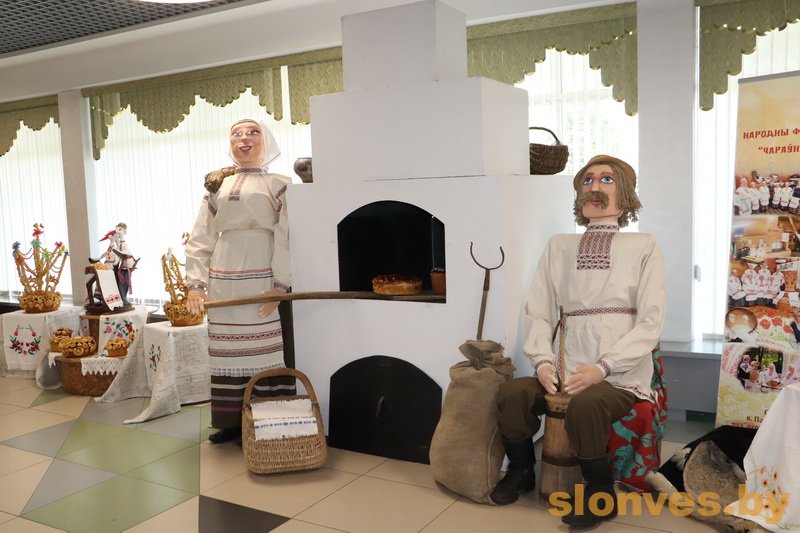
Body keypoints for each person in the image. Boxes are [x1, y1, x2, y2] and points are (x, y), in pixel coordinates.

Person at [490, 155, 665, 530]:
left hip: (619, 375)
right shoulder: (559, 245)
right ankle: (521, 471)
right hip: (564, 366)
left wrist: (603, 367)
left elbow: (651, 321)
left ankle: (601, 495)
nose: (594, 187)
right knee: (513, 394)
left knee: (587, 404)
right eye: (587, 180)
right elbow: (538, 310)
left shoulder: (643, 246)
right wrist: (542, 361)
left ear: (625, 193)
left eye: (606, 180)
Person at [185, 119, 292, 444]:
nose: (244, 139)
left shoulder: (280, 184)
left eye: (253, 132)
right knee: (227, 350)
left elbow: (286, 235)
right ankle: (230, 422)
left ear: (267, 141)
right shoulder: (217, 187)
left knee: (264, 348)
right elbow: (200, 237)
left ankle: (271, 421)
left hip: (262, 273)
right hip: (223, 276)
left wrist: (280, 285)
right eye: (236, 134)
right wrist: (195, 285)